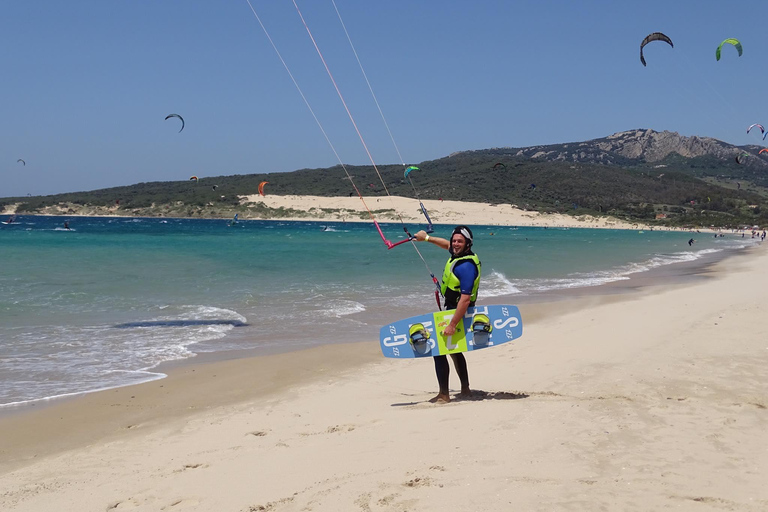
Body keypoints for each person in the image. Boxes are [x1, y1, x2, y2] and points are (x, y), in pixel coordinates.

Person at [414, 225, 481, 403]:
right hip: (451, 311)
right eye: (454, 241)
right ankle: (465, 389)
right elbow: (446, 246)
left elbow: (465, 299)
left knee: (438, 349)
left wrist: (452, 324)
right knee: (455, 350)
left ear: (468, 243)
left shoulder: (466, 267)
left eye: (460, 241)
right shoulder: (460, 255)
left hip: (457, 313)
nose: (455, 244)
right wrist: (426, 238)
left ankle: (444, 394)